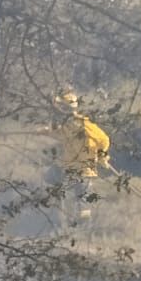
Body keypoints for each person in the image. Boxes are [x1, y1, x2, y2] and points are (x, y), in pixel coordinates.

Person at [52, 90, 112, 219]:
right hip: (78, 170)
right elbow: (104, 140)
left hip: (78, 170)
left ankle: (76, 227)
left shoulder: (78, 125)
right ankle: (71, 225)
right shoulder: (83, 125)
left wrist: (102, 156)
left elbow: (104, 140)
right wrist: (102, 155)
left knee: (76, 200)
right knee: (79, 200)